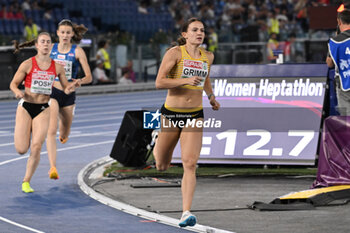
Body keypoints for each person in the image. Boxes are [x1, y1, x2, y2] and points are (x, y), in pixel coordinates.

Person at [154, 17, 220, 227]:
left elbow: (205, 78)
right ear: (185, 34)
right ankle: (156, 142)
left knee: (190, 164)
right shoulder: (174, 53)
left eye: (202, 30)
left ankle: (186, 212)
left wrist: (210, 96)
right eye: (194, 30)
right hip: (172, 114)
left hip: (194, 115)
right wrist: (184, 80)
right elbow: (159, 82)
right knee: (161, 165)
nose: (199, 33)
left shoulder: (208, 56)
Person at [9, 32, 79, 193]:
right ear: (37, 45)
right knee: (21, 149)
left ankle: (26, 181)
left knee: (36, 146)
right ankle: (24, 133)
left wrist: (73, 86)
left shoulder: (57, 67)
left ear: (51, 46)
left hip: (43, 108)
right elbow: (13, 84)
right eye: (43, 42)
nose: (46, 44)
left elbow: (65, 88)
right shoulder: (27, 64)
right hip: (26, 106)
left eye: (48, 42)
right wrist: (17, 92)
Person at [46, 19, 92, 180]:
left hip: (68, 93)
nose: (65, 35)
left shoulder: (77, 51)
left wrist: (78, 81)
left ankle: (64, 131)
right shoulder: (50, 49)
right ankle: (53, 166)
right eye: (62, 32)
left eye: (68, 32)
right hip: (52, 91)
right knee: (51, 129)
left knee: (64, 131)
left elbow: (89, 77)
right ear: (57, 33)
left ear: (72, 34)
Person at [327, 4, 350, 116]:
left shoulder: (335, 41)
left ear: (339, 22)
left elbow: (329, 63)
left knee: (347, 119)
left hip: (343, 84)